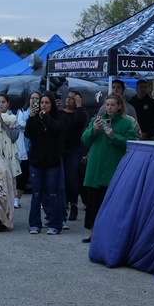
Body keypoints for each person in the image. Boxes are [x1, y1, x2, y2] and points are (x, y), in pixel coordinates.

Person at [81, 94, 137, 243]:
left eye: (113, 105)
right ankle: (91, 232)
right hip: (96, 167)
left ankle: (108, 233)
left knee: (110, 202)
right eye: (107, 105)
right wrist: (93, 130)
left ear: (119, 106)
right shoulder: (96, 120)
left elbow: (131, 143)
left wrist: (114, 136)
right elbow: (85, 140)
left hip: (113, 167)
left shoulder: (126, 123)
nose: (110, 108)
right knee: (93, 202)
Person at [24, 94, 65, 235]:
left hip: (52, 162)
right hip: (36, 161)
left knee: (53, 193)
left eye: (47, 102)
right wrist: (32, 117)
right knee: (36, 194)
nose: (44, 105)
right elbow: (28, 134)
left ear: (52, 104)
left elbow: (58, 129)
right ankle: (34, 224)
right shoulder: (34, 118)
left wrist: (46, 117)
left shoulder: (58, 116)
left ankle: (55, 224)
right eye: (42, 102)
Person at [60, 91, 89, 221]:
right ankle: (63, 203)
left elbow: (78, 122)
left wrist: (78, 106)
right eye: (68, 97)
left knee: (72, 179)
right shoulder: (60, 113)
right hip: (60, 150)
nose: (69, 100)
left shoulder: (81, 114)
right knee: (62, 178)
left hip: (73, 150)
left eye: (73, 98)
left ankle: (74, 205)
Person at [14, 91, 41, 209]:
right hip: (24, 147)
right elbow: (20, 124)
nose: (34, 100)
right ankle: (16, 199)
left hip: (38, 148)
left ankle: (40, 200)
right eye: (32, 98)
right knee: (23, 174)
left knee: (38, 175)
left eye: (37, 98)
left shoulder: (42, 113)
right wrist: (31, 123)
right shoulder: (22, 111)